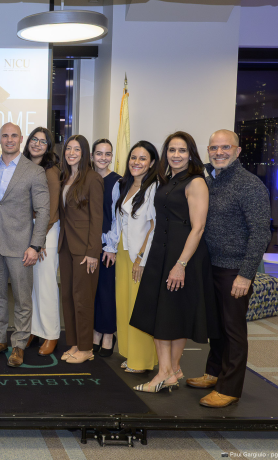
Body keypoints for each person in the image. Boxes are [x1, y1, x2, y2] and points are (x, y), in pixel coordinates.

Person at [187, 129, 270, 408]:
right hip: (209, 265)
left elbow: (261, 233)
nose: (219, 152)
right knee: (216, 325)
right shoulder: (208, 178)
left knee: (233, 330)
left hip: (234, 269)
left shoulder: (250, 185)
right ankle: (213, 373)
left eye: (225, 147)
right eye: (214, 148)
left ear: (237, 151)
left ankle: (230, 388)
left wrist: (245, 275)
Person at [130, 131, 219, 393]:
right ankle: (170, 371)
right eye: (171, 150)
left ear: (191, 154)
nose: (176, 155)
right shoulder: (168, 180)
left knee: (172, 314)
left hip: (182, 256)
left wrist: (181, 264)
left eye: (181, 150)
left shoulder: (196, 182)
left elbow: (198, 228)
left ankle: (165, 373)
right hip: (160, 253)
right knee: (163, 314)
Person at [0, 122, 50, 367]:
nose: (9, 139)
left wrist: (35, 245)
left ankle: (19, 345)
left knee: (22, 299)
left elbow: (43, 211)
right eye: (5, 136)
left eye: (14, 136)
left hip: (22, 246)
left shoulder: (34, 171)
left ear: (21, 139)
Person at [104, 141, 159, 373]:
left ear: (152, 163)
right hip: (123, 253)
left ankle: (142, 360)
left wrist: (141, 259)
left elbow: (154, 226)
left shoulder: (154, 187)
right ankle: (130, 353)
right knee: (125, 304)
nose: (136, 162)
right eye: (133, 157)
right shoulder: (125, 184)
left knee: (139, 308)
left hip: (139, 256)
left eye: (142, 158)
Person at [58, 134, 103, 364]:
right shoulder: (65, 177)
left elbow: (97, 218)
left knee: (83, 298)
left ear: (85, 153)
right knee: (67, 296)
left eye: (77, 149)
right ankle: (74, 344)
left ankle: (86, 348)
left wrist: (93, 252)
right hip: (66, 245)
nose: (71, 153)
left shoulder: (93, 179)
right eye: (69, 148)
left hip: (85, 248)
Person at [23, 127, 61, 356]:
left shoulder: (51, 171)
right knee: (32, 286)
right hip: (29, 231)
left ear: (48, 147)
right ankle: (34, 329)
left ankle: (51, 333)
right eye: (34, 140)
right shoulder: (24, 166)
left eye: (43, 141)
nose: (37, 144)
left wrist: (41, 238)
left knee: (45, 285)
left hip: (46, 231)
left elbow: (53, 207)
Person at [89, 139, 121, 357]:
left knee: (106, 291)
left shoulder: (117, 181)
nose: (103, 157)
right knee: (92, 292)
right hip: (88, 244)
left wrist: (110, 246)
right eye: (99, 153)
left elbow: (117, 216)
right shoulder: (86, 178)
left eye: (107, 154)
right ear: (92, 156)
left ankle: (108, 334)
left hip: (107, 244)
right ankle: (95, 332)